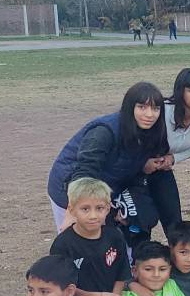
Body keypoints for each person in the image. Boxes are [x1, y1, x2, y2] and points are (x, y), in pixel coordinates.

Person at [47, 81, 168, 237]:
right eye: (142, 107)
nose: (150, 114)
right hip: (70, 187)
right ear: (129, 107)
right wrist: (72, 211)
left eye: (155, 108)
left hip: (107, 188)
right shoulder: (104, 131)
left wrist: (144, 165)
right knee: (80, 240)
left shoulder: (150, 132)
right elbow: (85, 171)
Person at [142, 67, 190, 236]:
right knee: (141, 220)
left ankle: (178, 253)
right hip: (134, 171)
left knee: (174, 222)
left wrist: (173, 158)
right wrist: (142, 163)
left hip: (162, 170)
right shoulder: (162, 111)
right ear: (180, 92)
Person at [50, 177, 131, 296]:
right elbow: (61, 285)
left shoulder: (115, 236)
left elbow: (121, 274)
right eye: (85, 209)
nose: (93, 215)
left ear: (108, 208)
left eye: (99, 208)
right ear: (72, 210)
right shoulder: (63, 244)